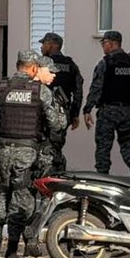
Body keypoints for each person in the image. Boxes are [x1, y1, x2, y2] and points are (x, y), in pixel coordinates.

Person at [0, 50, 66, 258]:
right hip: (27, 151)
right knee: (22, 198)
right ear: (34, 68)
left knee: (0, 193)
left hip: (0, 150)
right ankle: (12, 252)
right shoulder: (40, 92)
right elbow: (57, 124)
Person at [82, 31, 130, 178]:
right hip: (128, 111)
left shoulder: (106, 63)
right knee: (127, 144)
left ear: (110, 44)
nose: (103, 47)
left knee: (103, 146)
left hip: (108, 111)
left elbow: (96, 88)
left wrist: (87, 109)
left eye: (104, 43)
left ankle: (102, 178)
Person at [21, 54, 62, 257]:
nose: (54, 74)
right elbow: (57, 124)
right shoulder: (44, 93)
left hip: (20, 151)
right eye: (50, 70)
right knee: (49, 194)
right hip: (43, 151)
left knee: (25, 195)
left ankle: (22, 239)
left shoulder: (15, 90)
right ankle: (32, 234)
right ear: (38, 69)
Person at [39, 32, 83, 173]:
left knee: (42, 146)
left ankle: (45, 176)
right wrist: (75, 114)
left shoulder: (42, 64)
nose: (41, 47)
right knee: (57, 146)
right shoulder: (70, 65)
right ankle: (58, 174)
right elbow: (78, 91)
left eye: (44, 44)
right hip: (63, 113)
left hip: (42, 112)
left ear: (51, 45)